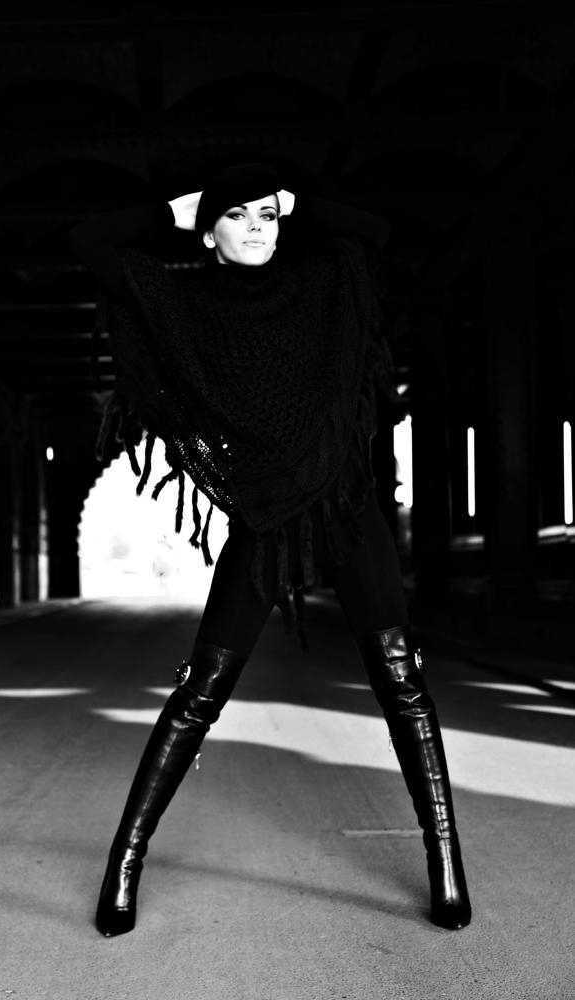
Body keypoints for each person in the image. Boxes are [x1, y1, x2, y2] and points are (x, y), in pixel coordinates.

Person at [69, 162, 471, 937]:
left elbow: (377, 234)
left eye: (267, 215)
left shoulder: (324, 282)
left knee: (402, 682)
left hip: (347, 509)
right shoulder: (185, 304)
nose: (256, 227)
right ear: (209, 234)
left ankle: (446, 863)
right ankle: (125, 863)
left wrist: (299, 202)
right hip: (265, 519)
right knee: (201, 689)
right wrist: (175, 212)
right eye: (238, 215)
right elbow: (88, 242)